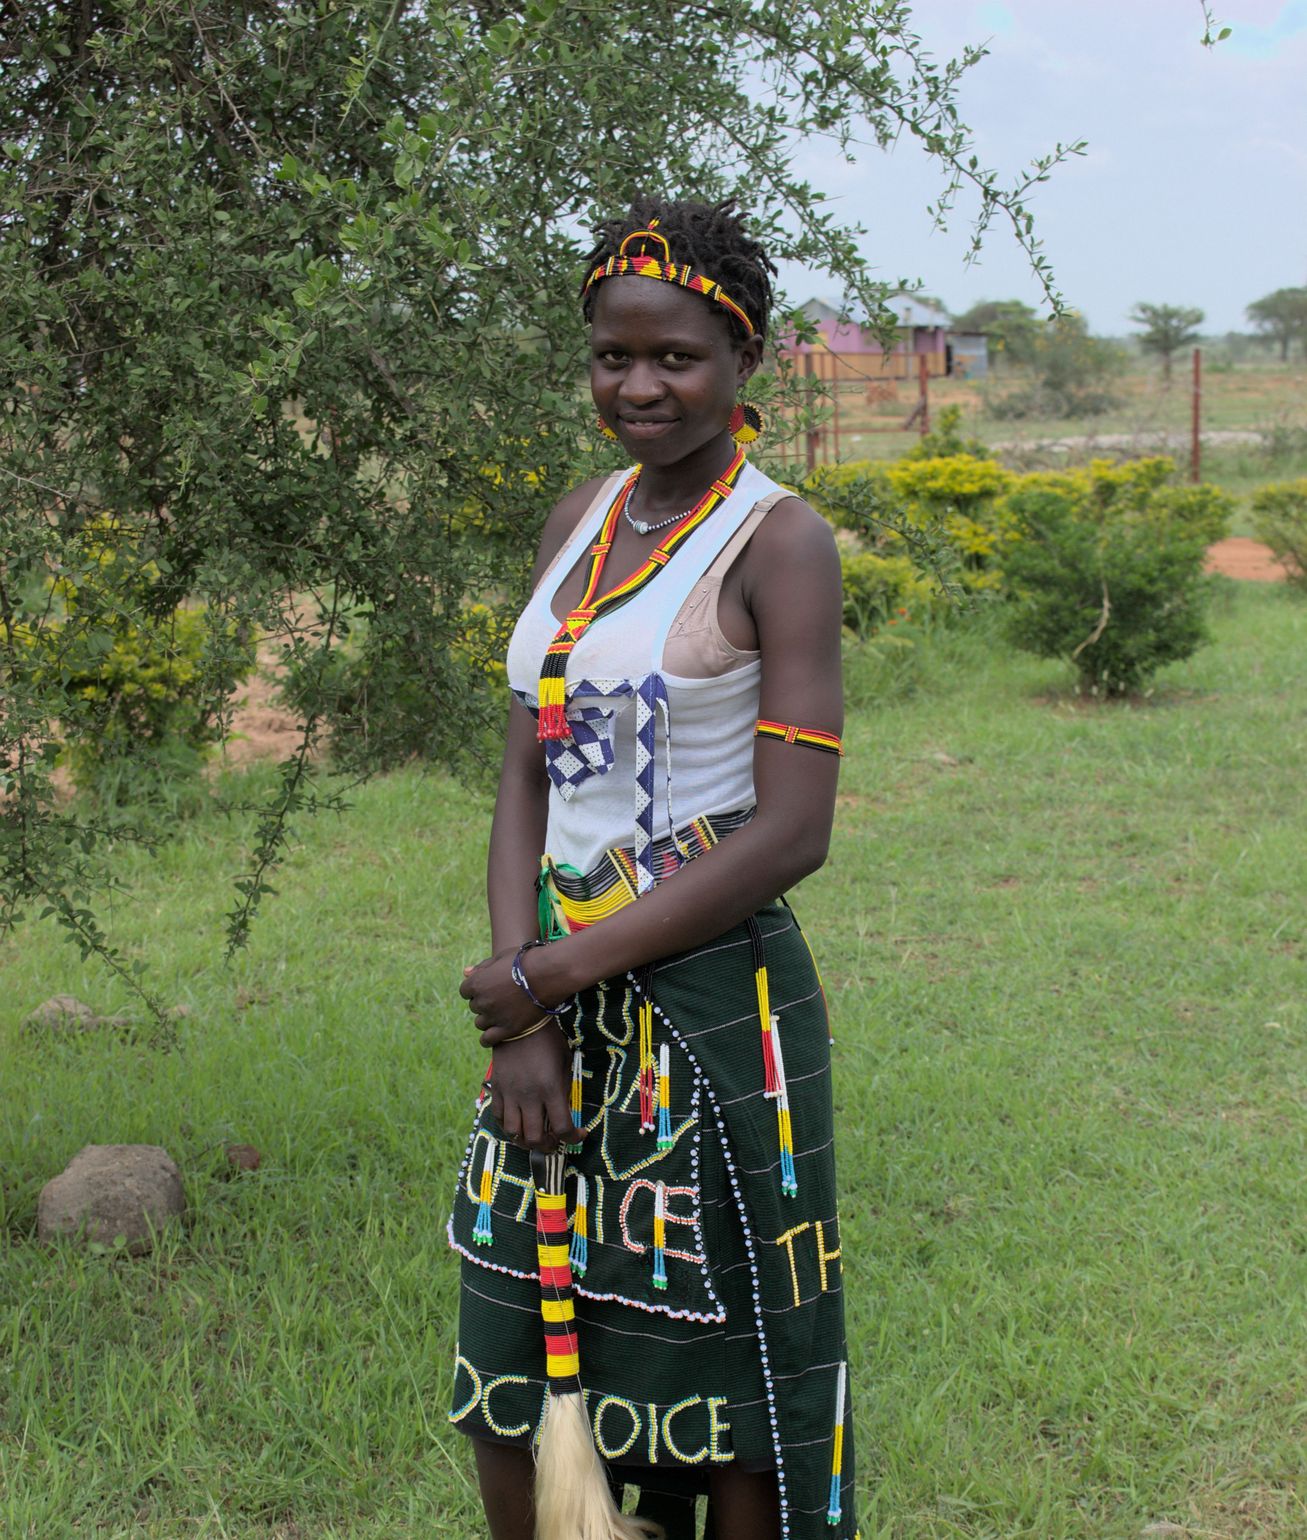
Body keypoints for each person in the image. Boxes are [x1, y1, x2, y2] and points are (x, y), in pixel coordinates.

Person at [452, 198, 858, 1540]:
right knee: (514, 1376)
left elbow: (791, 829)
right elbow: (528, 769)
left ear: (744, 359)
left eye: (676, 357)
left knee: (724, 1392)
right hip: (552, 1003)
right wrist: (525, 1005)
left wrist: (546, 972)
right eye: (613, 357)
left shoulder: (779, 543)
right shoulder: (583, 515)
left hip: (709, 1012)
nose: (640, 387)